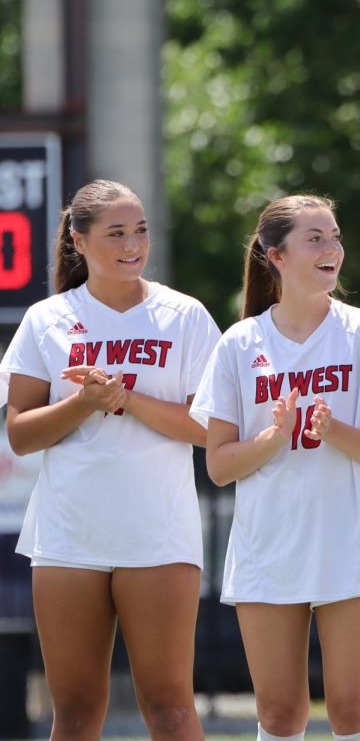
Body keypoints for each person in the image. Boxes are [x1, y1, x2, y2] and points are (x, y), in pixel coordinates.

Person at [189, 195, 360, 741]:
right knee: (279, 715)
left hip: (353, 545)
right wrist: (273, 437)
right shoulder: (239, 344)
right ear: (276, 255)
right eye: (314, 238)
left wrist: (334, 431)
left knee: (351, 711)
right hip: (268, 550)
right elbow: (220, 466)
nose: (331, 249)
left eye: (335, 236)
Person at [0, 179, 219, 741]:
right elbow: (21, 436)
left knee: (170, 710)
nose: (133, 244)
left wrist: (124, 397)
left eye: (140, 230)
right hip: (68, 537)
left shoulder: (185, 316)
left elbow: (206, 427)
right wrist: (83, 402)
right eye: (116, 232)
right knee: (73, 714)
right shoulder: (46, 319)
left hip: (159, 535)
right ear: (79, 240)